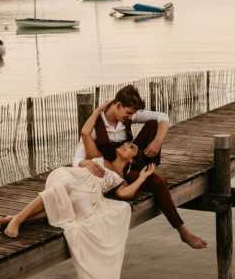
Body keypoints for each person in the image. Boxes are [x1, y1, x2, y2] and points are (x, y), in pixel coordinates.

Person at [0, 141, 154, 279]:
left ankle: (18, 217)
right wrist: (86, 163)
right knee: (64, 187)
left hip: (88, 193)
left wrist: (142, 177)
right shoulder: (98, 159)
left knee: (72, 205)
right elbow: (81, 151)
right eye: (126, 144)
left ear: (132, 159)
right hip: (71, 177)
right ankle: (18, 220)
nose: (126, 145)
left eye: (131, 148)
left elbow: (125, 194)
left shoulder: (118, 178)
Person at [73, 86, 207, 249]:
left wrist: (158, 141)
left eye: (132, 114)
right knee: (157, 183)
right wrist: (86, 163)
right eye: (128, 113)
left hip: (132, 159)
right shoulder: (96, 126)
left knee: (153, 124)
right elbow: (78, 158)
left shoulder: (128, 116)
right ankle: (183, 231)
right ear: (118, 105)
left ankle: (149, 167)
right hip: (118, 172)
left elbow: (162, 117)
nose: (130, 117)